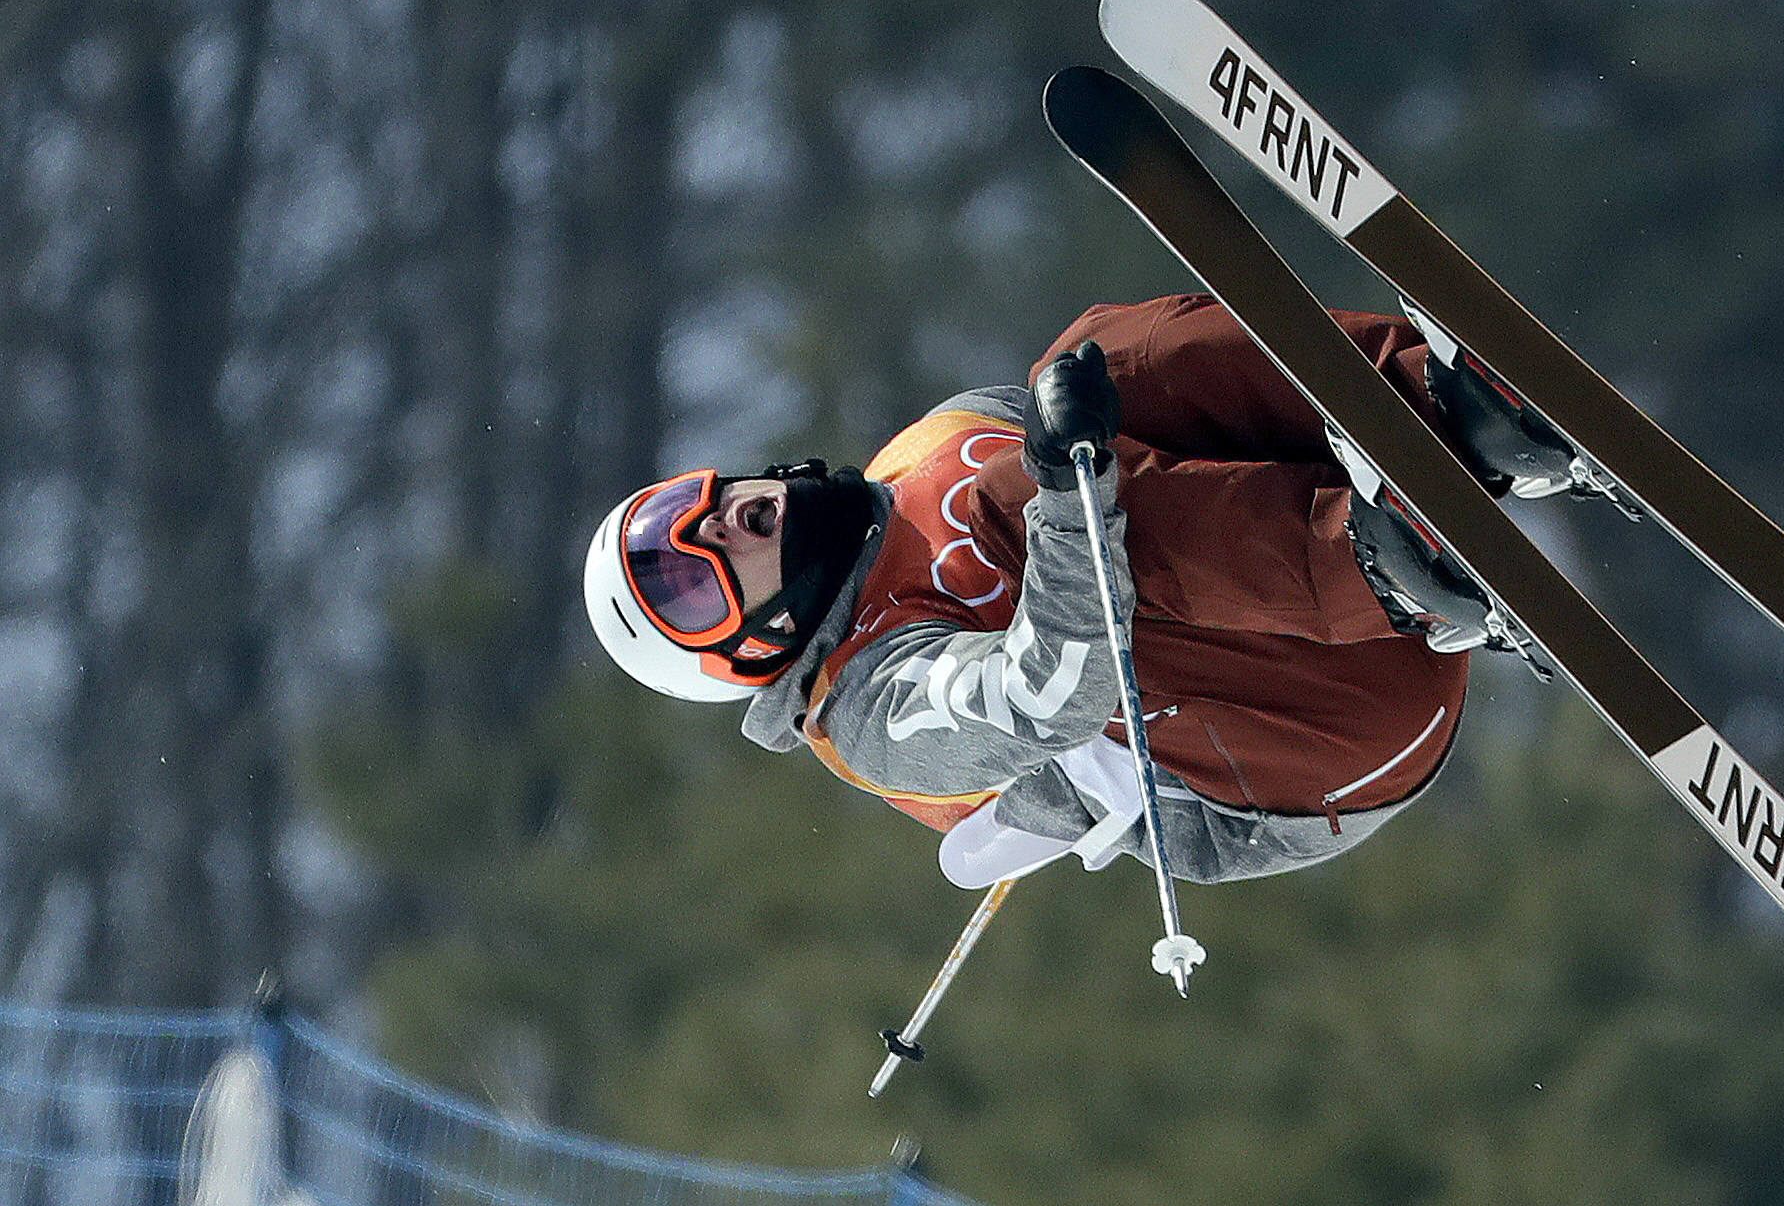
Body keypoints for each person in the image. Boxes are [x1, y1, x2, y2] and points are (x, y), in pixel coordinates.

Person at [583, 294, 1576, 888]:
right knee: (1029, 497)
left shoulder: (935, 441)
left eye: (676, 510)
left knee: (1094, 362)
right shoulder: (865, 708)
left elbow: (1185, 459)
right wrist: (1065, 490)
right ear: (750, 647)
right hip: (1313, 751)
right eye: (684, 584)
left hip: (1301, 618)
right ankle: (1388, 566)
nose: (702, 530)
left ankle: (1444, 410)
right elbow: (1050, 699)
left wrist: (1074, 448)